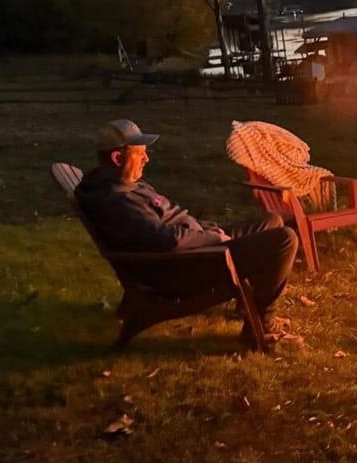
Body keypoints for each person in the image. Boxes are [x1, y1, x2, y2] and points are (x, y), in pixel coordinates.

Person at [75, 118, 300, 351]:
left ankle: (251, 307)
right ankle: (261, 326)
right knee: (284, 240)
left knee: (272, 221)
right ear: (117, 158)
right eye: (140, 153)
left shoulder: (125, 183)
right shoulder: (118, 201)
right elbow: (168, 240)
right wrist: (214, 238)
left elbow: (170, 222)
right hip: (184, 266)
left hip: (195, 247)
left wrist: (206, 229)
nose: (146, 159)